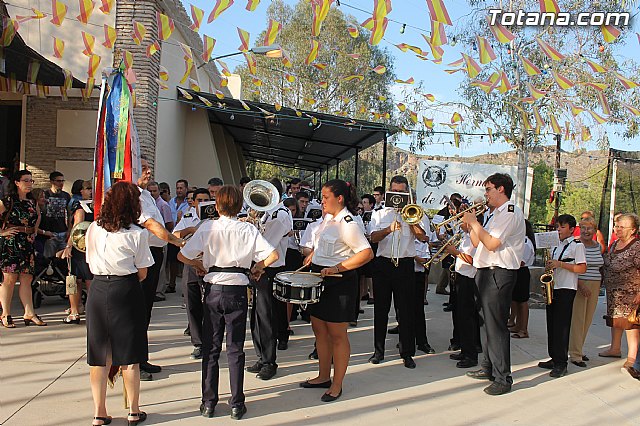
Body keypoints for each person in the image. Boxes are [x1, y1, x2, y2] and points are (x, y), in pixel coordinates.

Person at [178, 185, 278, 421]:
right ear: (238, 206)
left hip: (213, 288)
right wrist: (257, 267)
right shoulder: (247, 229)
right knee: (235, 348)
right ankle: (236, 403)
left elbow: (182, 255)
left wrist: (199, 266)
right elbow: (272, 255)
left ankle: (208, 403)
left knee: (211, 348)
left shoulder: (207, 227)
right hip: (238, 289)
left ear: (216, 205)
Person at [84, 181, 154, 426]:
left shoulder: (93, 227)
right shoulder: (138, 233)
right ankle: (133, 411)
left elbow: (89, 258)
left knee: (99, 354)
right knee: (129, 354)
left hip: (98, 288)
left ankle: (99, 412)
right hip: (126, 288)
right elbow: (143, 272)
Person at [300, 179, 373, 402]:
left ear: (339, 198)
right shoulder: (328, 221)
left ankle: (337, 384)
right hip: (320, 278)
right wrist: (315, 256)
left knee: (337, 335)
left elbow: (366, 253)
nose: (321, 201)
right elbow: (325, 246)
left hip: (339, 281)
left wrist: (337, 267)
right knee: (319, 329)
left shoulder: (347, 223)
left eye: (325, 197)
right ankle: (323, 376)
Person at [461, 173, 525, 395]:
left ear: (500, 190)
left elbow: (491, 243)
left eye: (488, 189)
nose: (485, 194)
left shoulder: (509, 212)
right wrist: (470, 227)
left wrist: (474, 222)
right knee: (487, 323)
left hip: (499, 273)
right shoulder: (494, 214)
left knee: (496, 327)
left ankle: (503, 377)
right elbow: (478, 241)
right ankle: (488, 367)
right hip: (486, 271)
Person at [368, 175, 431, 369]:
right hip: (383, 265)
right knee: (381, 310)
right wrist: (388, 229)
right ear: (389, 192)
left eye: (402, 192)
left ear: (407, 193)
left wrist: (410, 221)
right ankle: (378, 351)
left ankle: (407, 352)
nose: (398, 195)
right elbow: (373, 237)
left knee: (405, 311)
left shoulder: (415, 213)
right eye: (395, 191)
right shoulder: (379, 214)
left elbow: (424, 238)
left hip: (405, 265)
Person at [137, 159, 185, 380]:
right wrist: (176, 241)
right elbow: (151, 225)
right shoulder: (132, 195)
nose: (148, 173)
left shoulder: (147, 195)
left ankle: (141, 358)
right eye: (143, 168)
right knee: (136, 313)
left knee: (144, 311)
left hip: (153, 256)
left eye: (149, 169)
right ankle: (133, 363)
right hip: (141, 257)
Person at [247, 179, 293, 380]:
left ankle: (269, 361)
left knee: (266, 318)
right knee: (256, 317)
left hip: (269, 269)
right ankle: (261, 356)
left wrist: (250, 228)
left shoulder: (280, 215)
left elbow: (266, 244)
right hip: (259, 269)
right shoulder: (268, 213)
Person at [537, 214, 587, 378]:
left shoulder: (577, 246)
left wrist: (560, 264)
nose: (558, 229)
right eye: (558, 226)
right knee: (551, 325)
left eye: (562, 227)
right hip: (554, 286)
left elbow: (581, 268)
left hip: (566, 288)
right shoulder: (555, 245)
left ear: (572, 229)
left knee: (562, 327)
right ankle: (554, 357)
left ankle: (561, 362)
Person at [0, 170, 46, 328]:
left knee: (27, 278)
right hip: (11, 242)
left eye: (31, 181)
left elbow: (38, 216)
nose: (29, 183)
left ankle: (29, 312)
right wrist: (2, 232)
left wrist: (34, 231)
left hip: (27, 242)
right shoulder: (8, 201)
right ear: (17, 183)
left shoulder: (32, 201)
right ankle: (5, 313)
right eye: (26, 180)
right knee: (9, 279)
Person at [173, 188, 211, 359]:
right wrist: (190, 230)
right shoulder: (188, 216)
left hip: (209, 263)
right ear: (194, 202)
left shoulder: (216, 218)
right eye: (199, 200)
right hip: (190, 262)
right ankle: (198, 343)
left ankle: (211, 340)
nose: (202, 203)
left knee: (210, 305)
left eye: (206, 200)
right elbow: (174, 236)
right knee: (192, 303)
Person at [600, 213, 640, 369]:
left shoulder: (637, 246)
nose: (617, 229)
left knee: (631, 324)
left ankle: (632, 357)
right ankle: (614, 348)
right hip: (614, 293)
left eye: (622, 227)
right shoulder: (615, 243)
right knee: (615, 320)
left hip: (631, 293)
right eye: (617, 226)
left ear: (633, 230)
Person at [569, 216, 604, 367]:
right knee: (578, 320)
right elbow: (572, 265)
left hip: (595, 284)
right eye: (583, 228)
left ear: (595, 230)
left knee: (587, 319)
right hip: (580, 284)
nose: (585, 231)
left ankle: (579, 348)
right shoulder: (576, 243)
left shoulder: (597, 246)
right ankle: (575, 354)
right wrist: (581, 284)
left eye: (589, 228)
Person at [445, 217, 480, 368]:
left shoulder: (476, 237)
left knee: (468, 318)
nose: (459, 223)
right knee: (461, 317)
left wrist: (456, 253)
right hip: (461, 276)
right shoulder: (465, 236)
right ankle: (465, 350)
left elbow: (475, 260)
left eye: (462, 220)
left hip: (470, 279)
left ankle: (471, 355)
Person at [61, 179, 94, 324]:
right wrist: (68, 246)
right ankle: (76, 310)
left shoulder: (83, 205)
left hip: (84, 247)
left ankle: (76, 310)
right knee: (75, 280)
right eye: (88, 188)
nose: (91, 191)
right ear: (81, 190)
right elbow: (77, 228)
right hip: (79, 247)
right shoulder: (80, 207)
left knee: (81, 280)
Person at [509, 220, 536, 339]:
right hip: (516, 271)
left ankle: (523, 328)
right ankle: (517, 325)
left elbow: (521, 261)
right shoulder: (520, 240)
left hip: (521, 271)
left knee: (522, 301)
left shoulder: (525, 242)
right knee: (515, 299)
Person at [147, 181, 174, 302]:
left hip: (162, 239)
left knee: (161, 267)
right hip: (148, 241)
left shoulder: (163, 205)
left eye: (155, 191)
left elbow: (169, 223)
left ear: (159, 191)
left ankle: (159, 292)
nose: (152, 193)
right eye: (150, 191)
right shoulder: (147, 203)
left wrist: (165, 236)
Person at [42, 171, 71, 258]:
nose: (61, 183)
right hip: (49, 232)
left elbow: (69, 213)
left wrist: (69, 229)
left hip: (62, 230)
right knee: (48, 258)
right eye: (58, 181)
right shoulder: (45, 195)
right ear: (51, 182)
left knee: (62, 259)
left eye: (62, 181)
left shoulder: (66, 196)